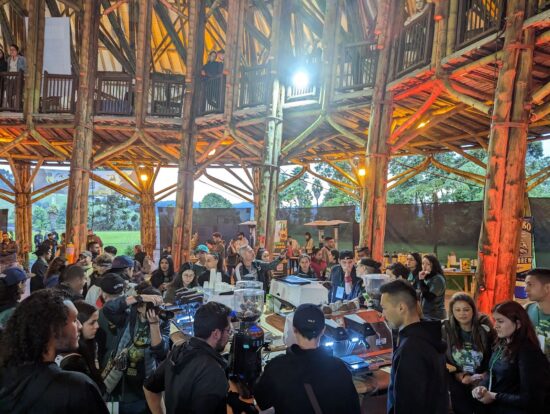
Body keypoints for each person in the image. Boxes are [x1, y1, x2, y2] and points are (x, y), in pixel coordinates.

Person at [0, 289, 108, 413]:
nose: (80, 325)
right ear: (54, 329)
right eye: (74, 320)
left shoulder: (8, 377)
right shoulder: (77, 388)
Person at [255, 304, 360, 414]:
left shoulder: (276, 368)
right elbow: (353, 408)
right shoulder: (339, 368)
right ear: (323, 330)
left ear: (294, 329)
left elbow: (262, 403)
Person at [143, 302, 235, 414]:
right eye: (228, 331)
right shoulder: (214, 371)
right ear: (216, 334)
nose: (230, 335)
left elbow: (149, 388)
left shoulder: (179, 350)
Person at [380, 279, 448, 414]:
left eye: (384, 308)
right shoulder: (427, 335)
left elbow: (409, 404)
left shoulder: (411, 349)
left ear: (401, 308)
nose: (383, 315)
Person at [471, 301, 550, 413]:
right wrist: (481, 388)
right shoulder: (501, 343)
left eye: (500, 321)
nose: (495, 326)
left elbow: (531, 399)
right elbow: (492, 372)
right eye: (495, 321)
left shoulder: (528, 352)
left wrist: (494, 396)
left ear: (518, 324)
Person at [102, 285, 169, 413]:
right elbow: (108, 309)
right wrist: (139, 297)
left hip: (146, 377)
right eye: (149, 305)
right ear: (139, 306)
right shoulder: (128, 317)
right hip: (122, 377)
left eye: (156, 305)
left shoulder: (162, 322)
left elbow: (161, 353)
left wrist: (154, 324)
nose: (153, 310)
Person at [443, 292, 496, 414]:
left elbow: (495, 355)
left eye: (466, 309)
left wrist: (485, 375)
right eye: (457, 310)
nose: (462, 313)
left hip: (482, 379)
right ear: (452, 312)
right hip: (458, 380)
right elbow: (444, 360)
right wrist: (461, 376)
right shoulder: (445, 330)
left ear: (473, 310)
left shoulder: (485, 329)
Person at [57, 300, 105, 394]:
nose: (97, 326)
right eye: (92, 323)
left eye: (97, 321)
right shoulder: (71, 361)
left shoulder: (92, 344)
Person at [524, 268, 550, 360]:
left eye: (530, 284)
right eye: (526, 284)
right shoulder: (526, 309)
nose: (525, 289)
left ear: (547, 288)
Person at [418, 254, 447, 320]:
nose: (424, 267)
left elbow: (429, 297)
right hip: (427, 314)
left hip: (435, 316)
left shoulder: (438, 279)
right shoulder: (428, 277)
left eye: (428, 264)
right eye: (423, 264)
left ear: (434, 265)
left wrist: (421, 280)